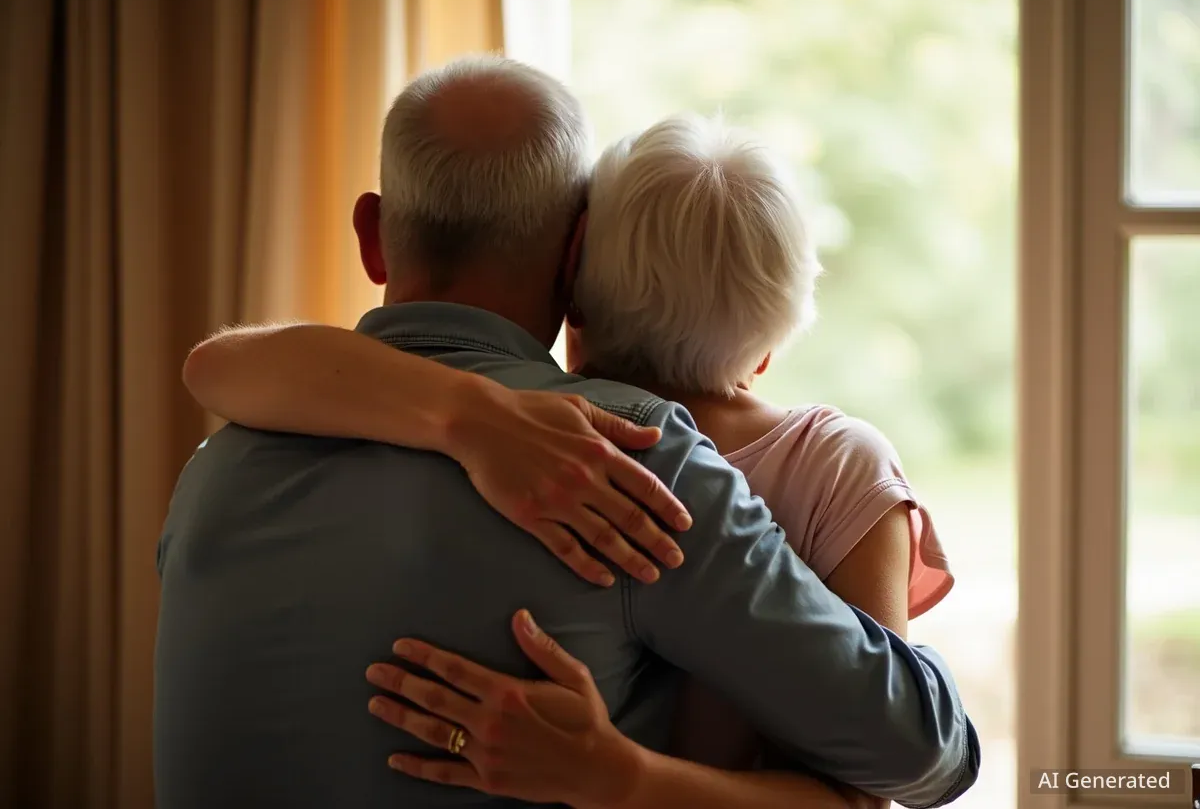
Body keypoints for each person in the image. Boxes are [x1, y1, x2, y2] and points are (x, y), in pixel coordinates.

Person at [156, 55, 978, 809]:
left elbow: (213, 365)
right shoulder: (620, 460)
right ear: (576, 251)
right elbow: (925, 757)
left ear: (371, 235)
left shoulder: (213, 469)